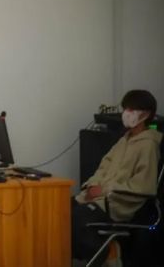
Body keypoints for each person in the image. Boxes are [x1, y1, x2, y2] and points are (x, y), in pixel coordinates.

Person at [72, 89, 162, 266]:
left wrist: (104, 190)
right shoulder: (123, 141)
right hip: (97, 198)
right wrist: (91, 187)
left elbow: (144, 186)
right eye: (125, 108)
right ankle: (103, 250)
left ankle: (108, 253)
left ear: (146, 114)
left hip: (116, 205)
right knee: (57, 210)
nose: (126, 113)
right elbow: (103, 168)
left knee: (74, 218)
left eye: (132, 109)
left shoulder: (148, 145)